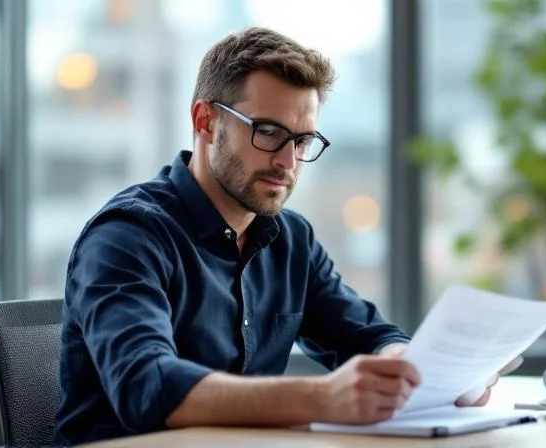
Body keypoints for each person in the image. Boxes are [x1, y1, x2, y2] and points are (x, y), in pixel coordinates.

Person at [53, 27, 516, 446]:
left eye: (302, 141)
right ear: (205, 120)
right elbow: (147, 385)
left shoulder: (290, 238)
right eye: (269, 132)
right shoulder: (128, 235)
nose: (288, 162)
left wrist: (425, 371)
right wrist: (322, 397)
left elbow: (367, 336)